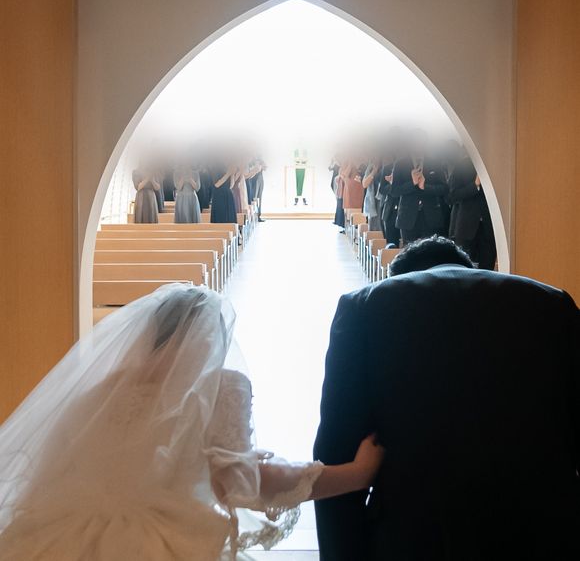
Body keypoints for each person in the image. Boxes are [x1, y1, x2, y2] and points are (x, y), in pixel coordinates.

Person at [0, 284, 384, 560]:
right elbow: (249, 482)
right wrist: (357, 473)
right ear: (211, 337)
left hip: (63, 538)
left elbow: (42, 478)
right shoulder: (220, 386)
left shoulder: (99, 393)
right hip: (164, 543)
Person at [314, 236, 579, 560]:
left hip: (413, 537)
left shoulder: (365, 307)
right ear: (470, 267)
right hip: (544, 534)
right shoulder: (552, 304)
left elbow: (335, 453)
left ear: (401, 277)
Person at [391, 130, 448, 245]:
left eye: (421, 141)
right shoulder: (400, 164)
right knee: (409, 251)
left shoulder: (434, 163)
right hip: (407, 217)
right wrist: (412, 183)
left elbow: (444, 188)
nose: (418, 144)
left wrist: (425, 187)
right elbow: (394, 191)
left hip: (431, 217)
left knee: (429, 251)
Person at [448, 146, 497, 270]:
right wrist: (475, 185)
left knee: (488, 267)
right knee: (464, 268)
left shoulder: (494, 165)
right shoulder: (461, 166)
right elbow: (452, 196)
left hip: (489, 227)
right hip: (466, 227)